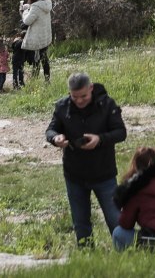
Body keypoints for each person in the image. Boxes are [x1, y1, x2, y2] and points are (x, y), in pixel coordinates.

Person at [45, 72, 127, 246]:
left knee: (115, 219)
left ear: (91, 88)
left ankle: (126, 253)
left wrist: (100, 139)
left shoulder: (107, 104)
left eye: (83, 96)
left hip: (103, 173)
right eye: (74, 97)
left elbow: (121, 132)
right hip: (74, 175)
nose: (79, 101)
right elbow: (51, 130)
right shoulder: (62, 107)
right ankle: (86, 255)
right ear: (69, 92)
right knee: (81, 223)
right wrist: (55, 138)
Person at [17, 0, 53, 87]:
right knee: (44, 59)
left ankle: (34, 81)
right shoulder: (47, 2)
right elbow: (37, 12)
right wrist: (29, 7)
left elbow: (27, 21)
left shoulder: (36, 7)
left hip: (37, 37)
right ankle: (47, 80)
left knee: (36, 59)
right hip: (45, 36)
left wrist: (24, 11)